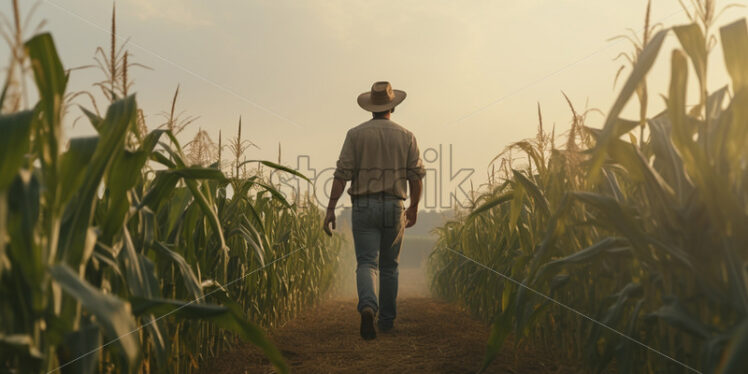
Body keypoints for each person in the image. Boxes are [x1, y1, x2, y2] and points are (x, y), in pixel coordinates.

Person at [323, 81, 425, 340]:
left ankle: (368, 306)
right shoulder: (407, 135)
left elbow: (341, 174)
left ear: (370, 108)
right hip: (394, 205)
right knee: (390, 266)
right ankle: (387, 321)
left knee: (367, 262)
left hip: (364, 206)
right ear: (393, 107)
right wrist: (413, 207)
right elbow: (415, 176)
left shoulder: (355, 134)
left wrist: (331, 208)